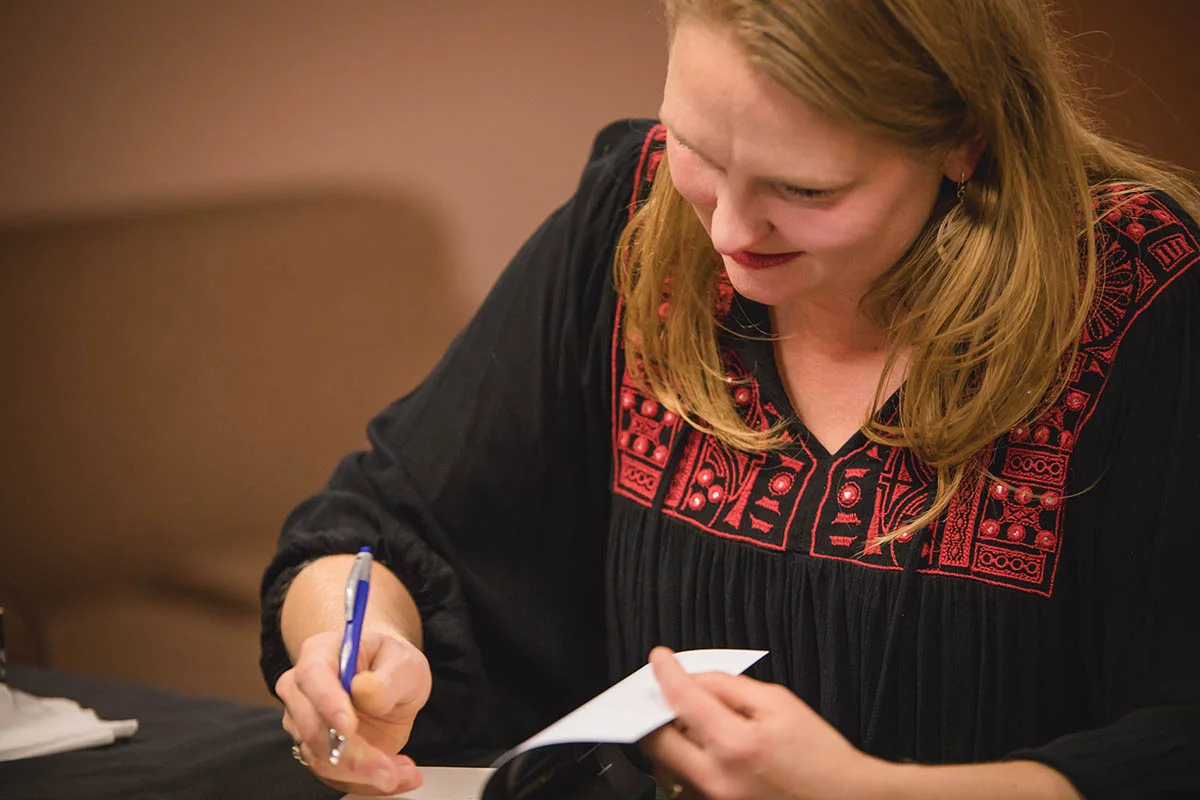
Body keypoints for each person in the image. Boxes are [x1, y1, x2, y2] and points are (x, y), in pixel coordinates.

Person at [260, 1, 1200, 797]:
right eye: (700, 149)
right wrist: (355, 652)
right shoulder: (636, 219)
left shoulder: (1134, 294)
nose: (731, 232)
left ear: (965, 138)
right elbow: (382, 521)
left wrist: (871, 792)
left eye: (804, 187)